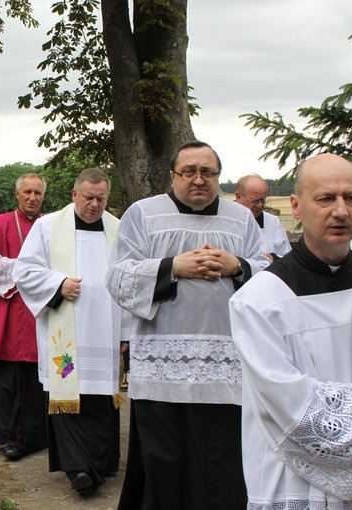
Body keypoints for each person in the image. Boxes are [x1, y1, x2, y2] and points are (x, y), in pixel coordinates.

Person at [105, 140, 266, 509]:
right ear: (172, 175)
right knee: (166, 463)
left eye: (207, 172)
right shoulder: (143, 214)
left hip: (228, 370)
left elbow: (270, 275)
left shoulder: (241, 218)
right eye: (189, 172)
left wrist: (237, 265)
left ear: (218, 177)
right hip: (164, 370)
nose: (198, 180)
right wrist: (172, 267)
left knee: (223, 463)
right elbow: (117, 278)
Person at [230, 153, 352, 509]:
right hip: (292, 480)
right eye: (326, 198)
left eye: (351, 197)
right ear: (296, 207)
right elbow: (297, 413)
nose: (341, 211)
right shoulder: (258, 301)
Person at [13, 168, 123, 495]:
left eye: (101, 198)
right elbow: (24, 271)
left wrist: (127, 333)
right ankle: (77, 469)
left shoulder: (117, 230)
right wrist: (58, 284)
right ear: (74, 194)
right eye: (88, 197)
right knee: (68, 396)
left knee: (102, 399)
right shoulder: (48, 227)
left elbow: (129, 280)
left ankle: (100, 462)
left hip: (105, 331)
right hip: (67, 334)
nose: (94, 204)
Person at [0, 173, 48, 460]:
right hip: (9, 309)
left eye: (37, 193)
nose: (32, 197)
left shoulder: (50, 226)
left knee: (37, 376)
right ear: (17, 194)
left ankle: (33, 436)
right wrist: (21, 270)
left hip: (40, 310)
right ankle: (5, 435)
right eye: (27, 192)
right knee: (6, 374)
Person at [234, 173, 292, 262]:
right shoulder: (227, 220)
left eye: (263, 200)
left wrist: (273, 258)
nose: (260, 205)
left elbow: (287, 257)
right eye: (255, 200)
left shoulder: (273, 222)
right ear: (238, 196)